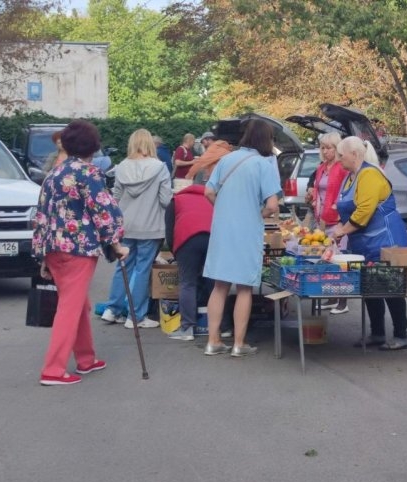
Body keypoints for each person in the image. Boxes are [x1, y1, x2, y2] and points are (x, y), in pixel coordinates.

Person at [32, 119, 129, 386]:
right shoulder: (89, 173)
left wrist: (41, 254)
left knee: (77, 302)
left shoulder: (54, 174)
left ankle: (86, 359)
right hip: (79, 248)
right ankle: (53, 369)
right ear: (93, 146)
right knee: (70, 305)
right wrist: (117, 243)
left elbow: (42, 214)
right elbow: (105, 211)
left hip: (53, 247)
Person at [202, 119, 281, 357]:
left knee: (219, 286)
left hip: (222, 230)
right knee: (244, 288)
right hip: (246, 232)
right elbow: (273, 205)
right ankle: (239, 343)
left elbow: (208, 191)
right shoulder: (263, 164)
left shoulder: (225, 159)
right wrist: (256, 213)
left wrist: (225, 209)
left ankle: (212, 341)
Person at [332, 136, 407, 350]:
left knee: (390, 287)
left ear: (355, 154)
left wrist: (342, 231)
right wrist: (339, 227)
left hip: (384, 240)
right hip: (364, 242)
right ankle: (377, 333)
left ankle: (401, 335)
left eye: (341, 155)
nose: (338, 159)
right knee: (369, 286)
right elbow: (346, 208)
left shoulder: (369, 174)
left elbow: (364, 212)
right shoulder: (350, 177)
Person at [101, 129, 173, 328]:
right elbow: (165, 200)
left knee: (122, 267)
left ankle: (112, 309)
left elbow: (114, 199)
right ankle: (136, 316)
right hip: (150, 226)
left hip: (126, 226)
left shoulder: (122, 167)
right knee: (142, 270)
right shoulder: (160, 167)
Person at [305, 132, 349, 314]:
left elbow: (344, 193)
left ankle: (343, 301)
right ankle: (332, 296)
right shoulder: (322, 167)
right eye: (322, 147)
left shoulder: (341, 168)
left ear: (337, 148)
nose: (324, 151)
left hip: (336, 219)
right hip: (321, 218)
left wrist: (339, 215)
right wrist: (312, 197)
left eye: (328, 147)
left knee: (340, 260)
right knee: (327, 259)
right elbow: (318, 189)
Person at [164, 183, 214, 341]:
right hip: (212, 237)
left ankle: (187, 328)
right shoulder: (212, 198)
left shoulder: (176, 200)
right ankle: (222, 327)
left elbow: (170, 232)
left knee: (188, 283)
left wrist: (175, 252)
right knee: (215, 284)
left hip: (187, 240)